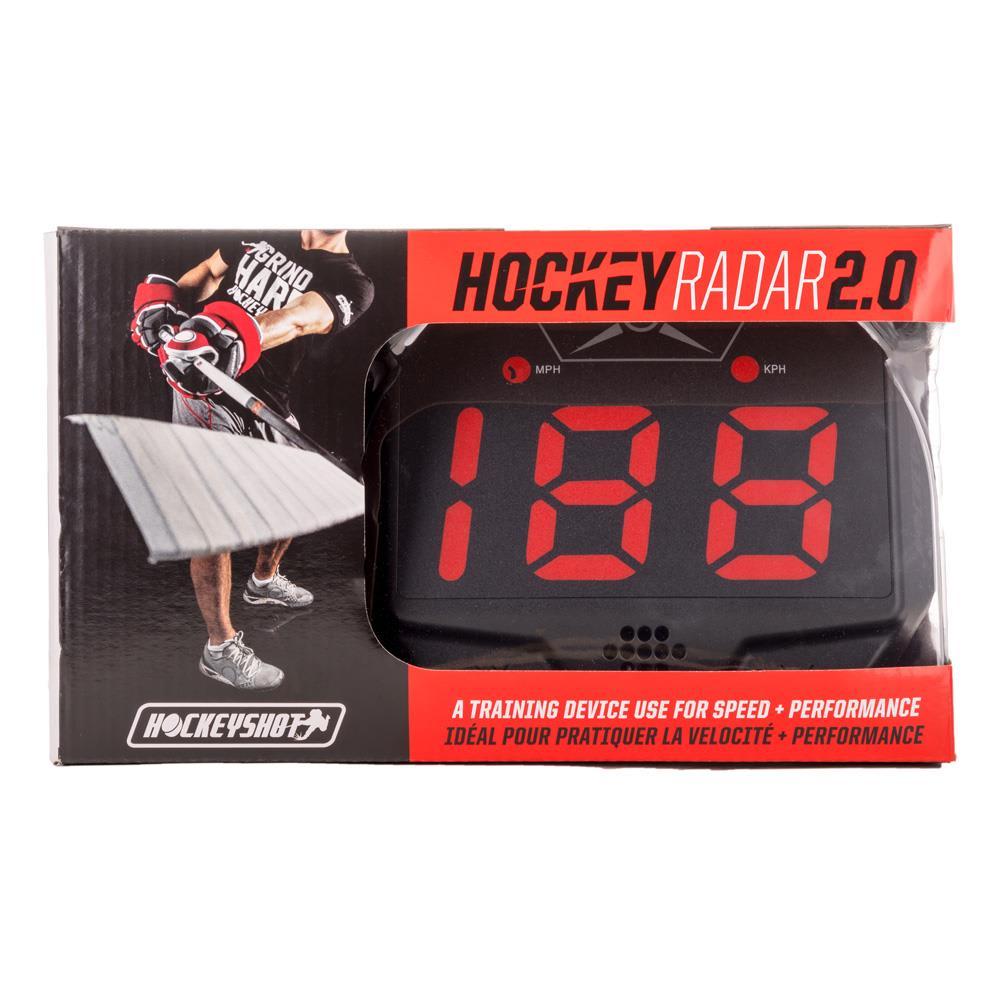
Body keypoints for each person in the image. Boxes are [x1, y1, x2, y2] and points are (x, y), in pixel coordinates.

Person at [130, 230, 374, 690]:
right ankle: (219, 649)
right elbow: (206, 272)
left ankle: (263, 581)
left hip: (263, 398)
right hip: (206, 392)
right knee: (214, 523)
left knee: (298, 499)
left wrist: (231, 336)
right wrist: (166, 308)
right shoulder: (263, 232)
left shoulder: (351, 282)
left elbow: (299, 319)